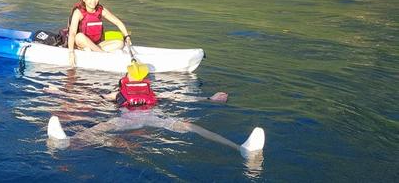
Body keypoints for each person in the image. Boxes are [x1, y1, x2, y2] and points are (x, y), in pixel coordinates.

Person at [46, 69, 265, 158]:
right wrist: (60, 91)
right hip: (141, 119)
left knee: (192, 127)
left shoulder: (134, 93)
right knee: (101, 128)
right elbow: (91, 97)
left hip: (141, 119)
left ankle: (242, 149)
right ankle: (65, 142)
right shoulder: (121, 93)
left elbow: (179, 98)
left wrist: (210, 98)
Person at [68, 0, 131, 67]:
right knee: (79, 36)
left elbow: (118, 22)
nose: (93, 1)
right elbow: (72, 33)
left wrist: (127, 36)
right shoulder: (78, 12)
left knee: (120, 43)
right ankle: (102, 54)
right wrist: (71, 52)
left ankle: (93, 50)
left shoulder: (101, 10)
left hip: (97, 44)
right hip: (81, 43)